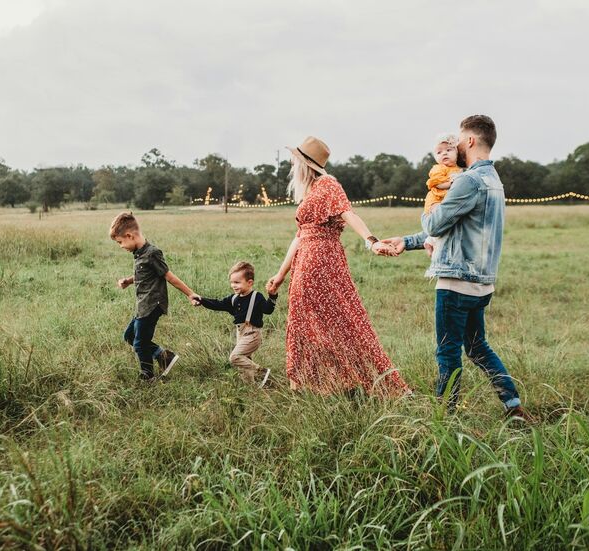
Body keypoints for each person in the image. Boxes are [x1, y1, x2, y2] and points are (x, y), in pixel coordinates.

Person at [379, 115, 531, 420]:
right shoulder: (494, 181)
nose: (456, 145)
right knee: (476, 348)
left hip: (456, 282)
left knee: (448, 351)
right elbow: (454, 229)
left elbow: (435, 222)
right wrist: (407, 242)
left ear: (471, 141)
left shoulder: (468, 180)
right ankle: (513, 406)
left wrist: (429, 207)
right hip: (481, 283)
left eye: (460, 140)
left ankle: (443, 419)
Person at [266, 136, 411, 396]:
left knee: (338, 320)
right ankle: (311, 383)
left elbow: (348, 213)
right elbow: (299, 237)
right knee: (304, 321)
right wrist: (280, 274)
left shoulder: (327, 184)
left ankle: (343, 380)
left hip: (321, 260)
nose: (291, 165)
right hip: (306, 261)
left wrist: (371, 241)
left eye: (295, 160)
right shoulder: (310, 191)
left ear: (305, 164)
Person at [110, 212, 200, 381]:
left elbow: (169, 276)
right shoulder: (139, 253)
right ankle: (164, 357)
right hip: (142, 305)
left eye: (120, 242)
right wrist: (129, 281)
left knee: (140, 343)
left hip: (152, 305)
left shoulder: (152, 253)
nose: (121, 246)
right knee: (129, 336)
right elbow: (144, 275)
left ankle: (148, 376)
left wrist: (190, 294)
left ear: (129, 235)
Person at [194, 261, 277, 387]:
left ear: (250, 282)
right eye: (232, 282)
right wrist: (201, 300)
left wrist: (272, 296)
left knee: (235, 357)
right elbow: (218, 304)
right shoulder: (234, 298)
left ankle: (261, 372)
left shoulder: (256, 297)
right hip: (241, 333)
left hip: (253, 334)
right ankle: (250, 387)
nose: (233, 285)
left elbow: (268, 310)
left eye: (237, 282)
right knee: (245, 362)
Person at [423, 134, 462, 257]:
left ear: (457, 153)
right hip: (436, 199)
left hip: (446, 200)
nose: (444, 154)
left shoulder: (459, 169)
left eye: (448, 150)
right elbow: (437, 183)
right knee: (439, 218)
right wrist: (452, 183)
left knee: (448, 223)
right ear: (435, 157)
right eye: (439, 152)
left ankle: (430, 241)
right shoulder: (438, 168)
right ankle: (432, 242)